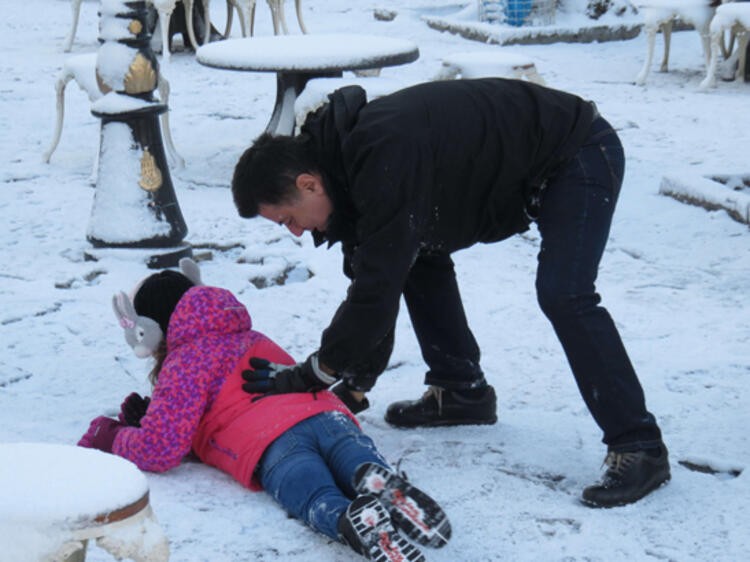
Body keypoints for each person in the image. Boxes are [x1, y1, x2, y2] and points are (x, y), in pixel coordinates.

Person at [230, 77, 671, 509]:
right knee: (419, 255)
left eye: (288, 218)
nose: (295, 232)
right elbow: (375, 276)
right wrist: (354, 380)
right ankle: (462, 390)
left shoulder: (382, 152)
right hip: (519, 168)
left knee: (565, 293)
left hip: (575, 153)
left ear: (309, 184)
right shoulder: (345, 169)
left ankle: (639, 446)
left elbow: (376, 288)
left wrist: (316, 373)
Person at [77, 264, 451, 561]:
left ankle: (345, 518)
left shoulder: (185, 361)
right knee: (351, 455)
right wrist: (152, 413)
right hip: (325, 415)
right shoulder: (251, 336)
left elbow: (162, 448)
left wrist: (112, 436)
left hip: (272, 443)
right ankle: (379, 479)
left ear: (151, 330)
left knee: (309, 487)